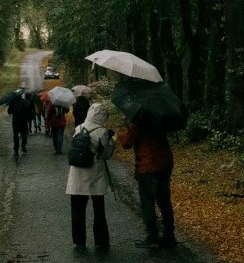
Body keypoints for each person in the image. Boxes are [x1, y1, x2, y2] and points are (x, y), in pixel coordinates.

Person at [116, 118, 175, 249]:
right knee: (165, 202)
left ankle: (153, 237)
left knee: (147, 202)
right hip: (165, 165)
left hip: (149, 167)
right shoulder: (159, 121)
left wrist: (124, 132)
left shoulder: (138, 123)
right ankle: (170, 236)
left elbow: (126, 143)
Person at [65, 104, 114, 250]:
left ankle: (79, 241)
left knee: (77, 211)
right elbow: (106, 155)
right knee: (99, 210)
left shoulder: (79, 128)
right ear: (102, 116)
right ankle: (101, 241)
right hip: (95, 174)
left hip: (77, 174)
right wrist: (111, 142)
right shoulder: (102, 132)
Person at [3, 89, 34, 155]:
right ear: (21, 96)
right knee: (24, 135)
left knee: (15, 135)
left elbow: (9, 112)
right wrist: (28, 119)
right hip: (23, 121)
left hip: (15, 121)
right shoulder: (25, 102)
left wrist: (11, 107)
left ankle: (16, 149)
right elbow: (28, 112)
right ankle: (23, 146)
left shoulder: (12, 103)